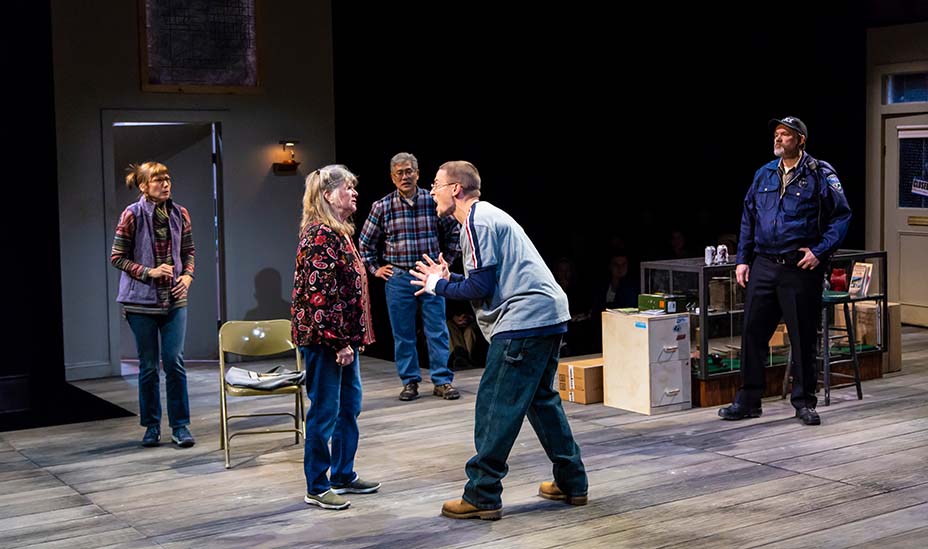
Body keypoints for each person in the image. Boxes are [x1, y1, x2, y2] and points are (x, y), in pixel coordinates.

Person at [410, 161, 588, 520]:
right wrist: (450, 278)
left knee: (495, 407)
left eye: (436, 184)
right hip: (547, 315)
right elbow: (488, 279)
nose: (432, 192)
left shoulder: (476, 221)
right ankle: (572, 481)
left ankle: (482, 492)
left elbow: (482, 288)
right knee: (542, 401)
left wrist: (436, 286)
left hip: (524, 321)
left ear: (456, 189)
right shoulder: (485, 218)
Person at [719, 116, 851, 426]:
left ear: (801, 140)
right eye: (777, 134)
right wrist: (742, 259)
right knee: (752, 332)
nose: (779, 139)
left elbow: (842, 216)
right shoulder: (764, 174)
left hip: (799, 267)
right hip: (764, 264)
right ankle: (749, 399)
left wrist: (820, 252)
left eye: (786, 135)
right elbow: (748, 216)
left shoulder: (819, 173)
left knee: (803, 337)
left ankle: (804, 402)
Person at [291, 164, 380, 511]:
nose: (354, 193)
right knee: (325, 411)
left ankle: (343, 473)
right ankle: (317, 484)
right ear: (328, 195)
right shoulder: (320, 235)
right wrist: (338, 341)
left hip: (344, 339)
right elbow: (319, 296)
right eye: (348, 188)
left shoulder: (339, 231)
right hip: (325, 340)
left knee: (349, 408)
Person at [358, 152, 462, 401]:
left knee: (437, 329)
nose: (405, 177)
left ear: (417, 173)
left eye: (409, 171)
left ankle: (442, 381)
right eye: (399, 173)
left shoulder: (432, 199)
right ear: (392, 177)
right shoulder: (382, 206)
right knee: (403, 333)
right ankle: (410, 381)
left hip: (430, 276)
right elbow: (364, 245)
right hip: (400, 277)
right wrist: (375, 269)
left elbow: (455, 233)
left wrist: (444, 264)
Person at [111, 162, 196, 448]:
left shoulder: (180, 213)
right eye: (158, 180)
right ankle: (151, 426)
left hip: (174, 299)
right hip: (141, 302)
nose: (165, 184)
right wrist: (149, 271)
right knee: (148, 366)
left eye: (168, 179)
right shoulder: (131, 215)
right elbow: (117, 257)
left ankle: (180, 426)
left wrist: (187, 275)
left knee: (174, 362)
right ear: (144, 186)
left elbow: (189, 251)